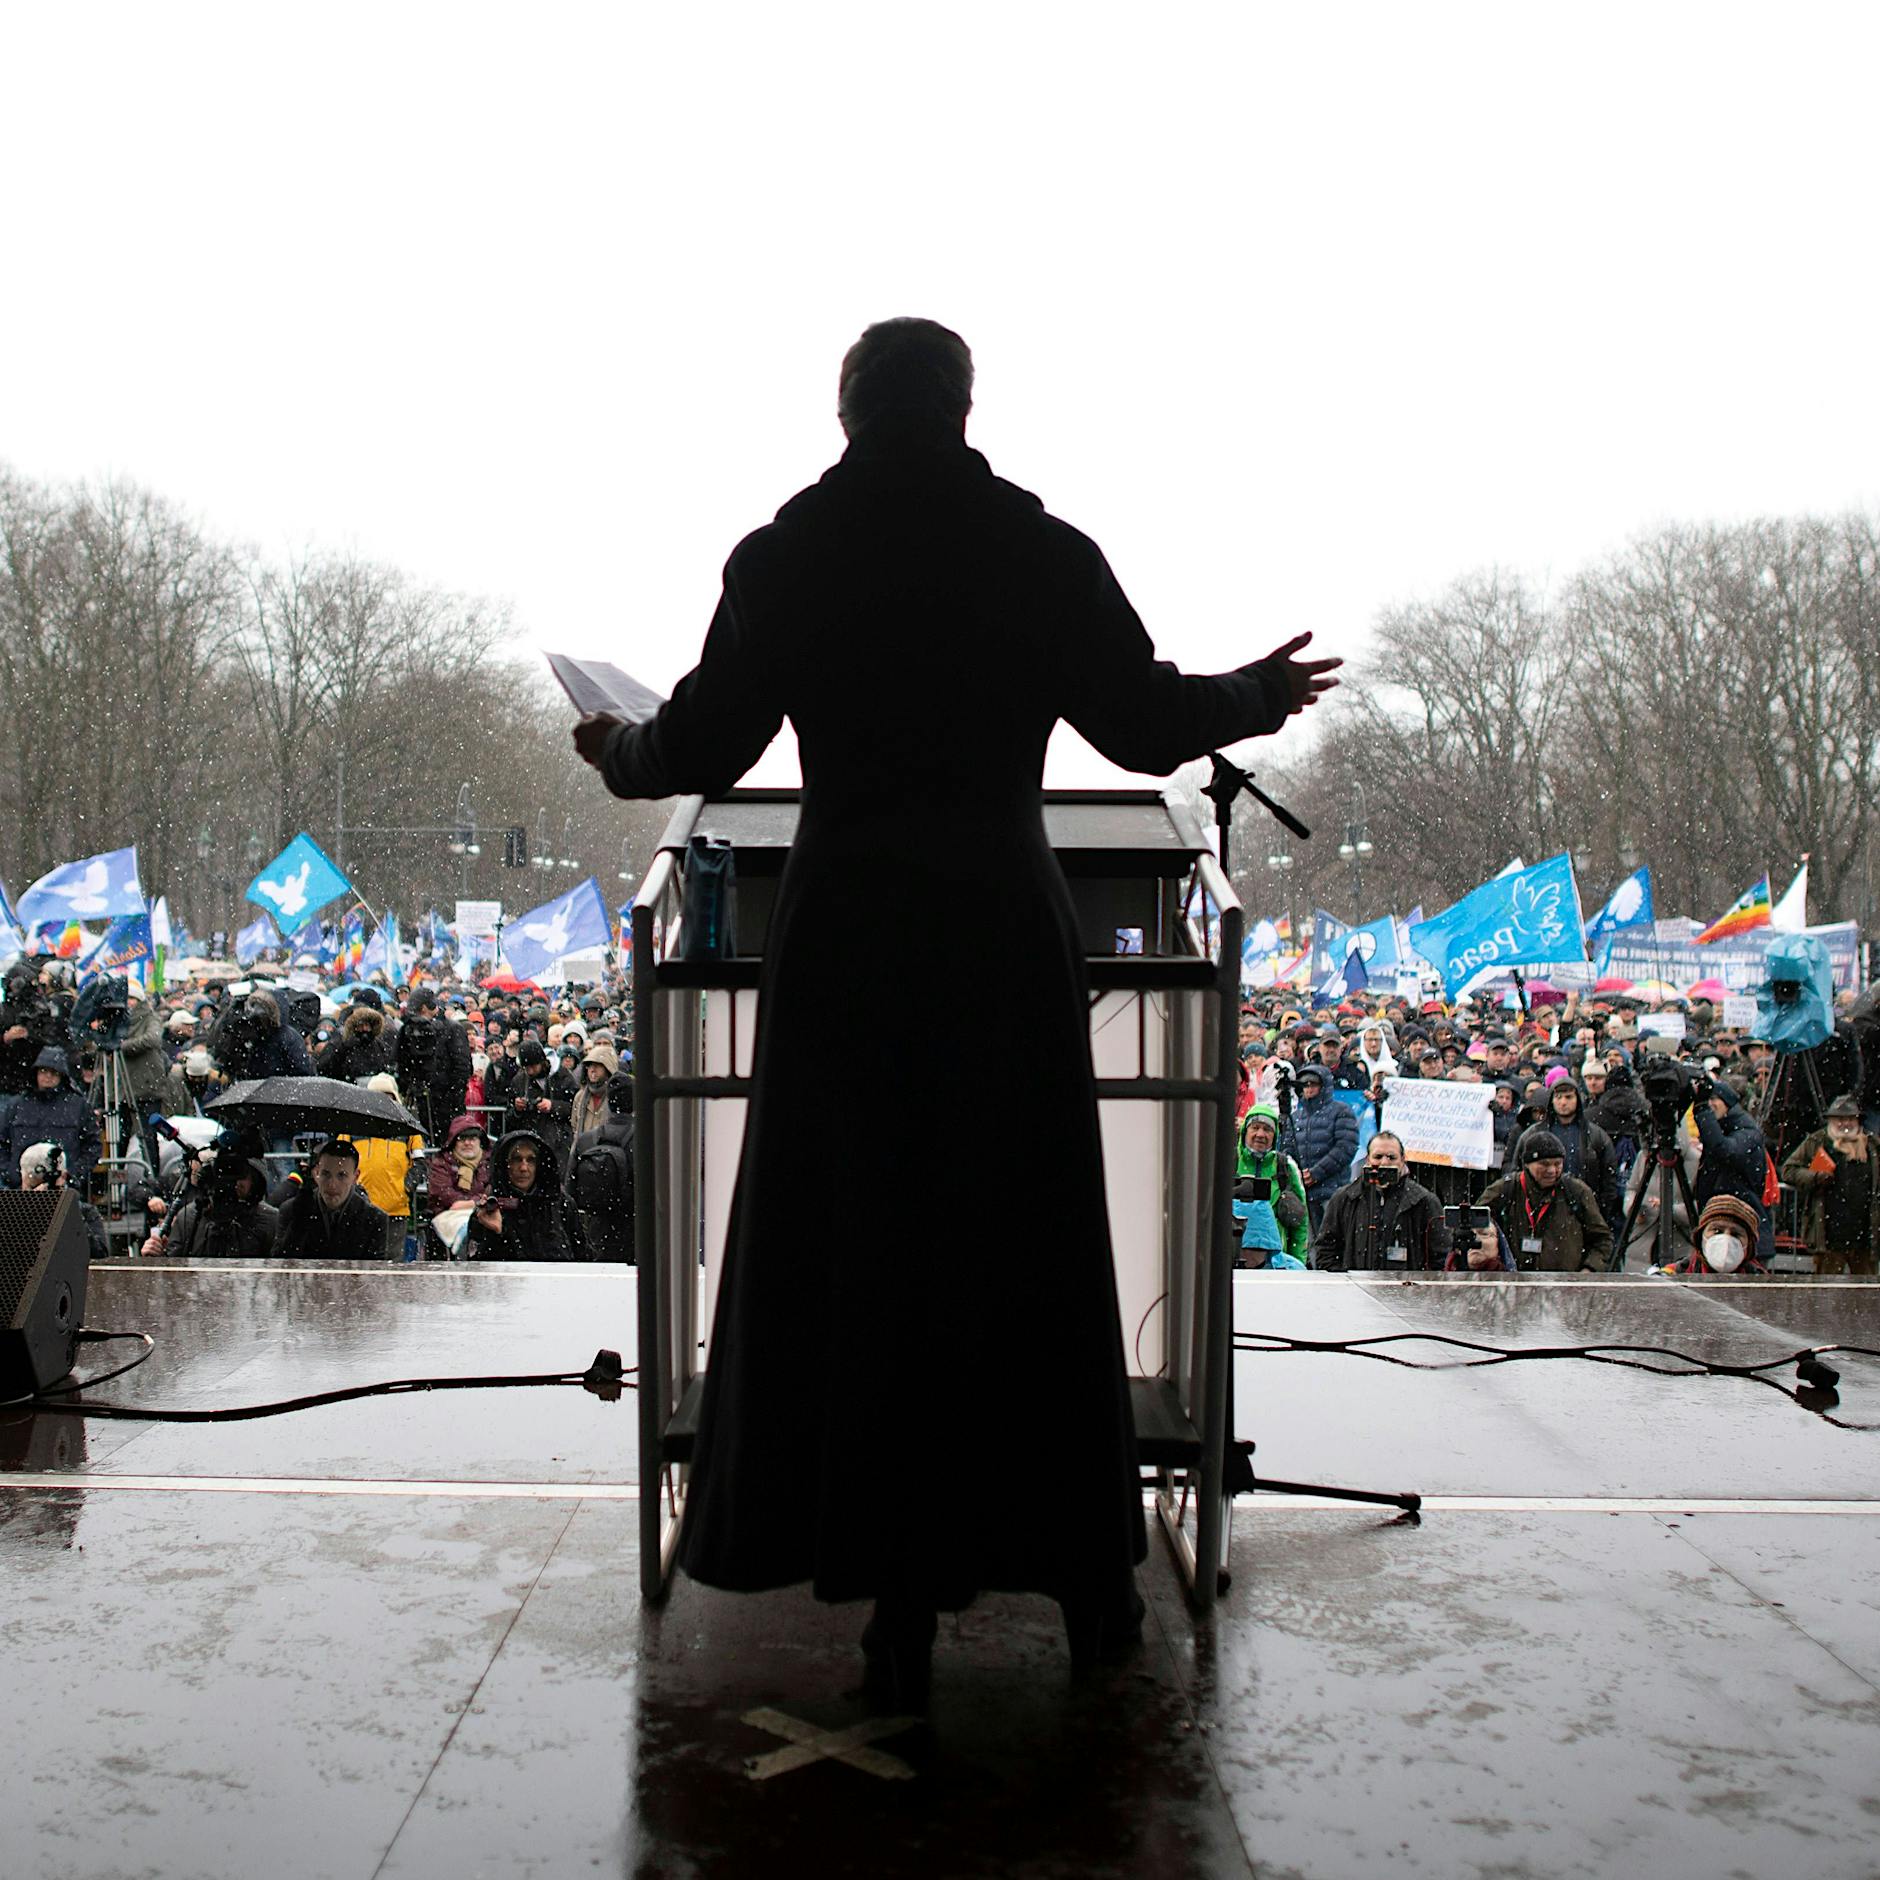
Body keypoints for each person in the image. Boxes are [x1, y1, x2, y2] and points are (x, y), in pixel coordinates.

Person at [572, 315, 1339, 1693]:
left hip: (849, 943)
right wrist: (1261, 696)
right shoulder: (1037, 553)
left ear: (850, 407)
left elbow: (695, 744)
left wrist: (613, 745)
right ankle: (1089, 1588)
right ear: (965, 406)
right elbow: (1146, 721)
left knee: (863, 1261)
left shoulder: (788, 556)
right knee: (1024, 1258)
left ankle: (894, 1611)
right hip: (999, 937)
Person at [1312, 1132, 1450, 1271]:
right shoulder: (1343, 1199)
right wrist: (1346, 1282)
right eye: (1378, 1157)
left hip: (1406, 1289)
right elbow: (1325, 1250)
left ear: (1403, 1160)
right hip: (1355, 1289)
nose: (1384, 1162)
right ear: (1367, 1159)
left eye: (1391, 1157)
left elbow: (1440, 1256)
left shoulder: (1424, 1201)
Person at [1478, 1130, 1612, 1273]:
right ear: (1527, 1164)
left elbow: (1602, 1239)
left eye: (1558, 1164)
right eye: (1544, 1164)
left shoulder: (1576, 1192)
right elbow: (1474, 1226)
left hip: (1565, 1287)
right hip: (1511, 1285)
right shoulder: (1505, 1189)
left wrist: (1589, 1269)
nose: (1552, 1170)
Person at [1779, 1093, 1878, 1275]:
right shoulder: (1817, 1141)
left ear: (1858, 1120)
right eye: (1839, 1119)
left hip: (1864, 1237)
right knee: (1826, 1293)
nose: (1845, 1123)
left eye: (1849, 1118)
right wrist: (1815, 1177)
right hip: (1828, 1236)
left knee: (1867, 1293)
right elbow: (1789, 1170)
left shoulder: (1872, 1145)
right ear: (1831, 1120)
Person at [1513, 1079, 1619, 1227]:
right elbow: (1517, 1172)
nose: (1563, 1102)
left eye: (1568, 1097)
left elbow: (1609, 1179)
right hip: (1540, 1211)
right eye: (1558, 1097)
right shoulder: (1533, 1134)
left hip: (1582, 1211)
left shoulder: (1595, 1136)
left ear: (1577, 1099)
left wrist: (1599, 1212)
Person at [465, 1130, 583, 1261]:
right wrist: (496, 1233)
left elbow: (583, 1257)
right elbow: (478, 1269)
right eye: (516, 1159)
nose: (524, 1168)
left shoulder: (560, 1204)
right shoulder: (489, 1208)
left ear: (539, 1164)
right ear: (505, 1164)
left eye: (530, 1160)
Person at [140, 1148, 278, 1259]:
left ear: (255, 1180)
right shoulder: (190, 1217)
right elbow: (174, 1276)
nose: (234, 1183)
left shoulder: (270, 1220)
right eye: (226, 1174)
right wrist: (157, 1257)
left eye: (241, 1175)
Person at [272, 1137, 393, 1258]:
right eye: (326, 1174)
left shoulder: (374, 1219)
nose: (332, 1184)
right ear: (316, 1173)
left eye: (341, 1175)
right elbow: (281, 1263)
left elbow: (375, 1271)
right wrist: (299, 1223)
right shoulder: (292, 1210)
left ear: (355, 1177)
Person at [0, 1047, 101, 1190]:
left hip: (64, 1188)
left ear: (62, 1076)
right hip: (22, 1188)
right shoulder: (16, 1105)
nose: (48, 1076)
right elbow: (2, 1142)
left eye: (54, 1072)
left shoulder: (78, 1106)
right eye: (43, 1071)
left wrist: (72, 1175)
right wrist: (12, 1174)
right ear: (35, 1073)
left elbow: (92, 1146)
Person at [567, 1070, 636, 1262]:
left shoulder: (585, 1140)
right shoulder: (647, 1142)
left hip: (596, 1230)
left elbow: (570, 1190)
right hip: (634, 1231)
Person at [1289, 1062, 1360, 1239]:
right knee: (1309, 1243)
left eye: (1313, 1083)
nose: (1309, 1088)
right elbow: (1287, 1149)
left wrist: (1316, 1173)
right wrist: (1298, 1175)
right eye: (1304, 1084)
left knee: (1333, 1240)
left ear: (1324, 1086)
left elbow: (1345, 1148)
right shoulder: (1295, 1117)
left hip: (1332, 1191)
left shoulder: (1341, 1111)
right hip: (1304, 1193)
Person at [1232, 1102, 1308, 1267]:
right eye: (1255, 1127)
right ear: (1245, 1131)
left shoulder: (1286, 1167)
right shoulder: (1229, 1162)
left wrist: (1298, 1264)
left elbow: (1300, 1222)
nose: (1260, 1134)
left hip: (1276, 1264)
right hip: (1231, 1260)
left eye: (1267, 1129)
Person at [394, 984, 473, 1140]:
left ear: (424, 1008)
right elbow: (401, 1062)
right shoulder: (409, 1030)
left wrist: (450, 1095)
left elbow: (462, 1067)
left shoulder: (452, 1029)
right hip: (421, 1101)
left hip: (447, 1103)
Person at [17, 1140, 108, 1260]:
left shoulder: (83, 1211)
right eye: (33, 1186)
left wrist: (68, 1209)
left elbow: (98, 1253)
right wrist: (31, 1209)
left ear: (63, 1177)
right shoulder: (13, 1211)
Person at [209, 989, 314, 1082]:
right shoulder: (246, 1035)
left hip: (280, 1093)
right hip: (253, 1091)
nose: (257, 1022)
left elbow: (302, 1071)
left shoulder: (287, 1036)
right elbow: (226, 1056)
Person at [317, 997, 398, 1084]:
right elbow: (324, 1066)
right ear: (354, 1026)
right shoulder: (341, 1043)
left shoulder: (378, 1045)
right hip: (346, 1088)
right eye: (361, 1025)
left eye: (367, 1025)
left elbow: (388, 1066)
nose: (364, 1028)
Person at [426, 1114, 493, 1214]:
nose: (467, 1143)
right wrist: (475, 1202)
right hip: (449, 1217)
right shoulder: (442, 1162)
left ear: (480, 1141)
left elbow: (495, 1192)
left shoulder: (489, 1162)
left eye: (472, 1138)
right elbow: (442, 1193)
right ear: (453, 1142)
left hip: (484, 1215)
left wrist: (474, 1203)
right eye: (462, 1139)